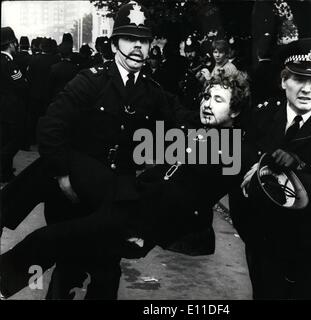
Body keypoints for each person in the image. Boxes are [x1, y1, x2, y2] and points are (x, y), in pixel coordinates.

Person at [0, 72, 251, 300]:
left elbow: (190, 204)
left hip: (136, 218)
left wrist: (148, 234)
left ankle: (2, 281)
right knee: (57, 160)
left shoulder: (232, 151)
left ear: (235, 112)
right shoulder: (197, 128)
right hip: (128, 191)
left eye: (218, 100)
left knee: (54, 238)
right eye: (206, 96)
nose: (207, 103)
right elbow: (171, 107)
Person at [1, 1, 188, 300]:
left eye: (143, 40)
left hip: (115, 200)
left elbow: (182, 127)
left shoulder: (153, 93)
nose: (138, 47)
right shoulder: (90, 81)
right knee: (69, 269)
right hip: (74, 195)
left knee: (106, 273)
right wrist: (62, 176)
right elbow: (50, 128)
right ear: (115, 44)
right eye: (130, 39)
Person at [230, 38, 311, 300]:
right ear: (284, 81)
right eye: (299, 79)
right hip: (262, 237)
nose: (307, 89)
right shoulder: (260, 115)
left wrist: (290, 166)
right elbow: (239, 167)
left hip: (307, 240)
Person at [0, 27, 28, 184]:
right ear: (11, 43)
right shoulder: (8, 63)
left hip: (3, 107)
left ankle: (5, 172)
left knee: (4, 139)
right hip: (11, 108)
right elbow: (22, 85)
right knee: (14, 141)